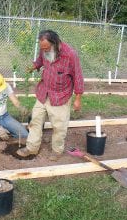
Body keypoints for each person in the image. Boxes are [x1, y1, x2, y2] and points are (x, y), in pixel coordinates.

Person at [17, 29, 84, 160]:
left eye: (47, 48)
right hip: (44, 92)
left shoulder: (70, 55)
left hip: (61, 96)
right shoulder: (44, 49)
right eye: (43, 48)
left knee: (59, 127)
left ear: (55, 43)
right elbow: (40, 60)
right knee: (35, 122)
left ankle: (57, 151)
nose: (45, 51)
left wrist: (78, 98)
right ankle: (31, 148)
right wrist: (34, 66)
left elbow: (78, 77)